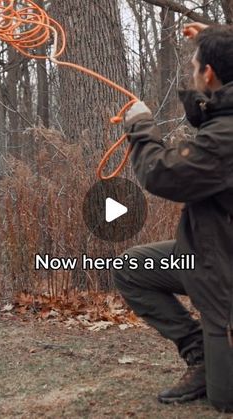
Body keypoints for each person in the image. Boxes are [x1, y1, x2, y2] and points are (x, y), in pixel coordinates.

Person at [112, 23, 233, 412]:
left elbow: (165, 175)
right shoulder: (224, 116)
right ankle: (201, 355)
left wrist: (140, 128)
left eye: (196, 64)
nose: (192, 70)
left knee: (225, 400)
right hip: (209, 255)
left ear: (209, 73)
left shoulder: (226, 136)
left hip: (225, 275)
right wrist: (214, 35)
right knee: (133, 268)